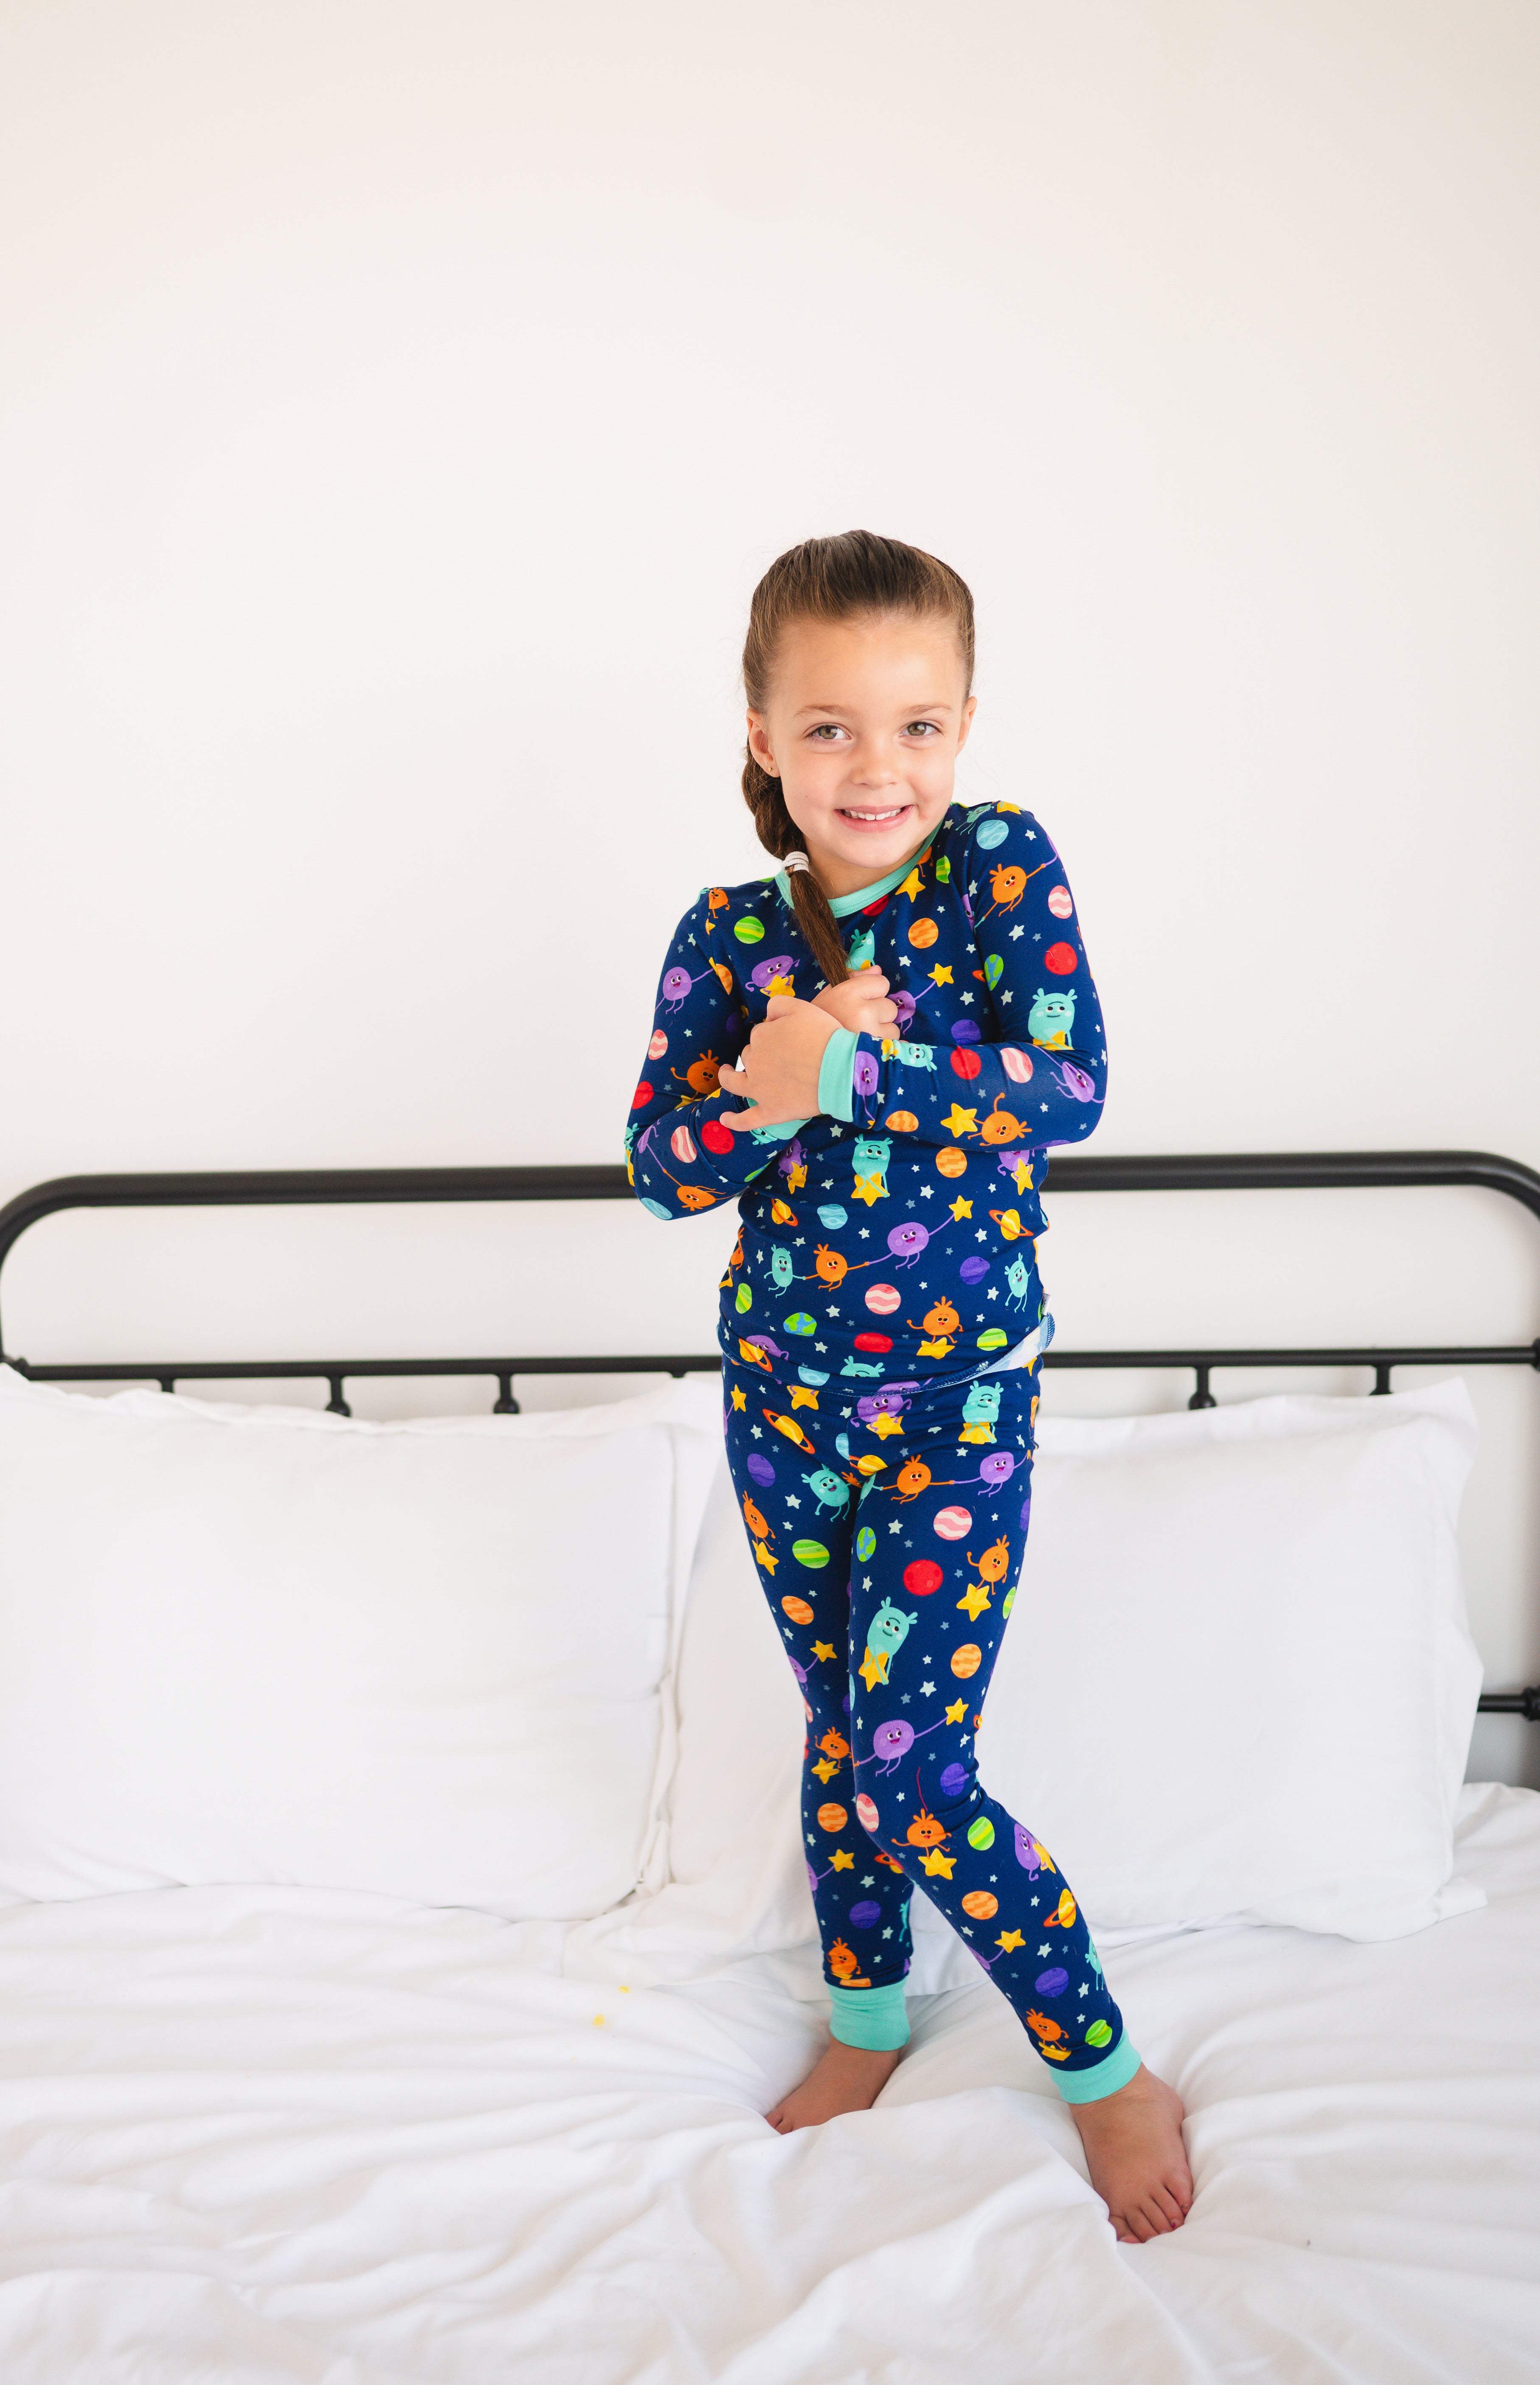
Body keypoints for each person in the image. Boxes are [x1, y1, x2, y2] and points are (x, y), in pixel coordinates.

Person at [625, 530, 1193, 2241]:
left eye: (918, 726)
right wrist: (768, 1084)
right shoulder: (728, 931)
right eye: (830, 728)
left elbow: (1068, 1086)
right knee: (843, 1732)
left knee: (907, 1759)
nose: (878, 768)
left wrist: (851, 1068)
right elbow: (660, 1168)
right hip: (782, 1400)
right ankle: (866, 2019)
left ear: (963, 729)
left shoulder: (999, 867)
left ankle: (1103, 2067)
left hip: (957, 1404)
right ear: (761, 737)